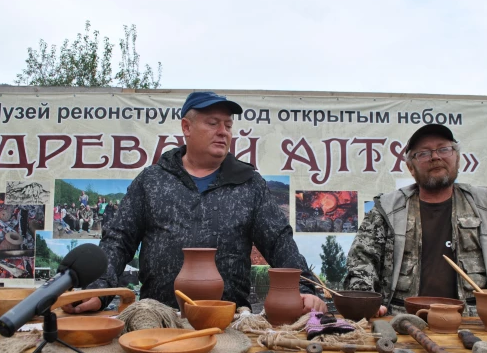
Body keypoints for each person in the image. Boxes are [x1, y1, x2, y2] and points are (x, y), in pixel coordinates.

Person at [64, 91, 327, 314]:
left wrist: (304, 289)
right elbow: (118, 240)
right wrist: (98, 289)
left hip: (228, 320)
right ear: (186, 128)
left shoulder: (249, 184)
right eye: (213, 123)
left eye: (228, 125)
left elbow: (279, 242)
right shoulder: (152, 181)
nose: (223, 132)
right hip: (156, 318)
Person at [344, 123, 487, 317]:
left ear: (457, 159)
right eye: (423, 153)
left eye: (444, 149)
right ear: (411, 168)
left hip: (476, 324)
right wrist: (364, 304)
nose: (435, 156)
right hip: (402, 324)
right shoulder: (387, 210)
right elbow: (362, 264)